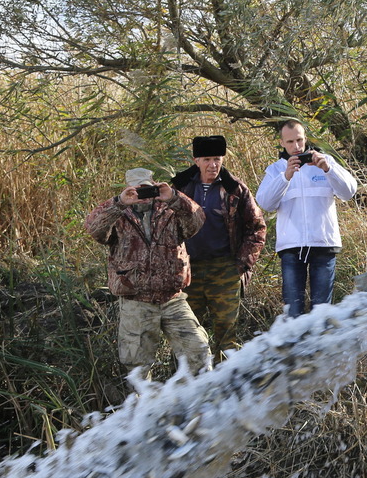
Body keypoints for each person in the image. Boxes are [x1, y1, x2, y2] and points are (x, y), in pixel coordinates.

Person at [84, 167, 212, 375]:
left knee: (198, 352)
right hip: (136, 302)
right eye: (137, 189)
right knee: (137, 368)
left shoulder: (171, 211)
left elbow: (197, 220)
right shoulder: (118, 215)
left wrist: (174, 197)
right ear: (128, 188)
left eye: (146, 188)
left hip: (173, 299)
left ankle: (198, 402)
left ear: (154, 185)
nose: (142, 194)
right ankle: (145, 406)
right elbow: (93, 228)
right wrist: (119, 203)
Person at [171, 135, 267, 356]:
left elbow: (257, 228)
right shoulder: (180, 186)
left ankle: (227, 383)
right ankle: (191, 383)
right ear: (196, 160)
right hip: (188, 271)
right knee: (188, 333)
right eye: (207, 159)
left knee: (226, 334)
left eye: (217, 159)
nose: (213, 165)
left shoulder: (235, 189)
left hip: (224, 269)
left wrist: (241, 264)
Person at [256, 120, 358, 317]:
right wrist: (285, 176)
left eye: (300, 140)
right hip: (291, 247)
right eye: (290, 142)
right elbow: (266, 203)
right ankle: (295, 346)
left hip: (324, 244)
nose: (296, 147)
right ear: (282, 143)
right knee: (293, 312)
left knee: (321, 313)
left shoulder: (325, 161)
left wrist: (328, 169)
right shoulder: (275, 169)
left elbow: (349, 192)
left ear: (305, 139)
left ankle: (320, 347)